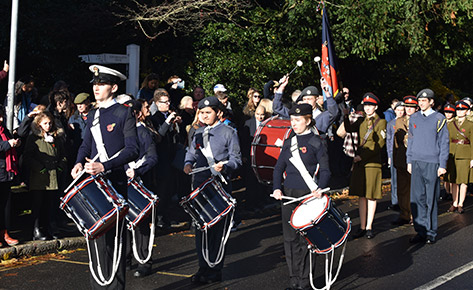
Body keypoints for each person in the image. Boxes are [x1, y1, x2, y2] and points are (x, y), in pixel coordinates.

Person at [71, 65, 139, 289]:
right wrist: (79, 161)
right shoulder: (93, 114)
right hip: (95, 183)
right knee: (96, 239)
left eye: (101, 84)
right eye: (94, 84)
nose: (96, 87)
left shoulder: (123, 112)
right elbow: (86, 144)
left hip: (116, 183)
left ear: (114, 87)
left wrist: (105, 166)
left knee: (115, 242)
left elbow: (132, 150)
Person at [183, 96, 242, 284]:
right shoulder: (198, 133)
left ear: (219, 113)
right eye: (201, 112)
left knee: (217, 229)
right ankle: (203, 267)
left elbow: (236, 160)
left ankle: (215, 268)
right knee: (201, 228)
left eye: (208, 112)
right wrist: (187, 163)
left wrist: (224, 167)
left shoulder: (228, 132)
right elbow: (191, 152)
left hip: (219, 184)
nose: (204, 115)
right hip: (200, 184)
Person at [272, 103, 330, 290]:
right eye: (292, 120)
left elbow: (326, 171)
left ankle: (305, 281)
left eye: (298, 120)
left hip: (308, 195)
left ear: (308, 120)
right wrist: (277, 188)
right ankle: (294, 279)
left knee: (305, 239)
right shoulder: (289, 142)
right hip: (289, 195)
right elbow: (279, 167)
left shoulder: (316, 142)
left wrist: (320, 188)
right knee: (289, 239)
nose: (293, 123)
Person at [407, 88, 449, 244]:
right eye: (419, 101)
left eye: (424, 100)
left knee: (431, 198)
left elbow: (443, 143)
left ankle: (431, 232)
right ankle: (420, 231)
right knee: (417, 198)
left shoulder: (439, 119)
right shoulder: (414, 118)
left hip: (432, 162)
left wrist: (442, 164)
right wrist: (409, 161)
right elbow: (410, 141)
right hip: (416, 161)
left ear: (431, 102)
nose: (421, 103)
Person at [124, 99, 158, 278]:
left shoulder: (143, 132)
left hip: (140, 183)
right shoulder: (122, 133)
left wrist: (137, 171)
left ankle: (144, 261)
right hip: (123, 183)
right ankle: (126, 258)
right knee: (124, 222)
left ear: (137, 114)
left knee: (141, 224)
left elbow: (152, 158)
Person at [345, 93, 387, 239]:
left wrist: (361, 156)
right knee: (361, 195)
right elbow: (348, 131)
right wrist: (345, 116)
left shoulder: (381, 122)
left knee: (371, 195)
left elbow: (379, 145)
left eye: (370, 106)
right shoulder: (361, 120)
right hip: (359, 163)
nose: (368, 108)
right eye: (366, 105)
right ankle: (362, 226)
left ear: (375, 107)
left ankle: (369, 226)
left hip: (372, 163)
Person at [24, 111, 67, 240]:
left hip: (53, 175)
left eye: (50, 123)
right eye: (45, 123)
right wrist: (40, 168)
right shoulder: (34, 138)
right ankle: (36, 229)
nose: (48, 125)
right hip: (39, 176)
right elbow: (27, 157)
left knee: (50, 203)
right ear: (39, 124)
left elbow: (63, 155)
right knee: (37, 203)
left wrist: (60, 166)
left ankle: (50, 227)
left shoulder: (55, 137)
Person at [273, 76, 338, 137]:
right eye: (304, 99)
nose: (306, 102)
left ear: (316, 99)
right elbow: (277, 108)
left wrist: (327, 93)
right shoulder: (297, 114)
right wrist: (281, 87)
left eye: (309, 99)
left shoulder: (322, 116)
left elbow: (334, 112)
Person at [392, 96, 418, 225]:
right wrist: (395, 158)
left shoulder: (420, 121)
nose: (408, 109)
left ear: (416, 108)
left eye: (411, 107)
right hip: (402, 158)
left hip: (415, 159)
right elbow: (396, 142)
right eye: (407, 107)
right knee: (402, 188)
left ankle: (414, 214)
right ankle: (404, 214)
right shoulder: (399, 121)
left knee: (415, 189)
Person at [446, 100, 473, 214]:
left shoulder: (470, 125)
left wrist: (472, 158)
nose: (460, 112)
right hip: (452, 154)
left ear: (467, 111)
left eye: (462, 110)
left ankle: (461, 203)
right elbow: (446, 141)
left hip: (465, 154)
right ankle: (454, 202)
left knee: (463, 181)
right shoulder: (450, 124)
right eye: (458, 110)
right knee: (453, 180)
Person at [0, 105, 20, 247]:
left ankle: (4, 233)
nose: (1, 119)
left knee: (5, 204)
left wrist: (14, 142)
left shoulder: (3, 129)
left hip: (5, 172)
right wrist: (8, 144)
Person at [386, 101, 405, 212]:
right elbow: (388, 141)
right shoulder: (390, 124)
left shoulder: (408, 122)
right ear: (395, 111)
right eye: (398, 110)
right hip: (394, 153)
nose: (400, 112)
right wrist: (389, 155)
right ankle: (395, 202)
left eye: (402, 110)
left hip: (405, 153)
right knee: (394, 179)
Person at [442, 103, 456, 201]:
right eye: (446, 112)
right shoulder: (442, 121)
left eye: (450, 112)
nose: (448, 114)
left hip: (452, 148)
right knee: (444, 172)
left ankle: (451, 192)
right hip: (442, 148)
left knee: (452, 171)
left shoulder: (455, 123)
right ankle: (447, 191)